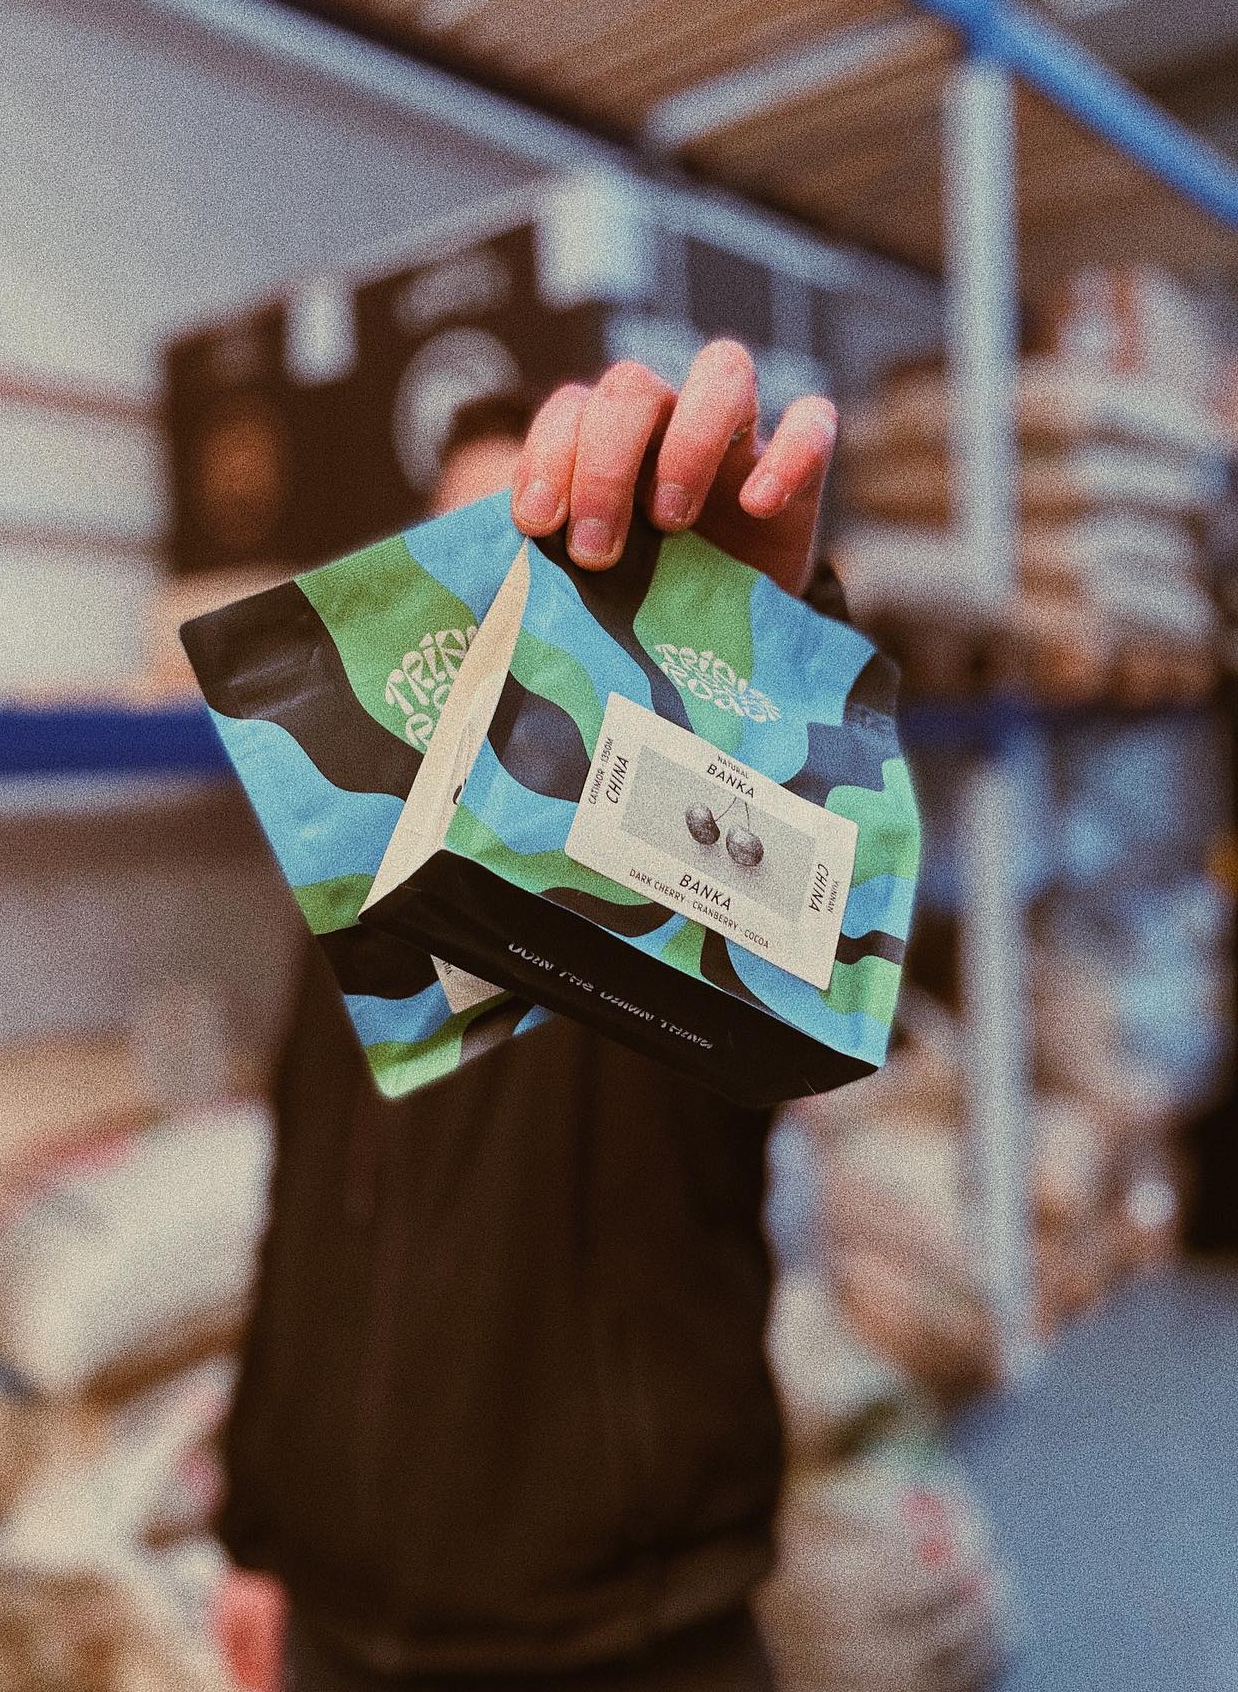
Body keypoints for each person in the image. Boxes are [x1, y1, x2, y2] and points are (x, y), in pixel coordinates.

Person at [215, 342, 842, 1692]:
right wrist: (259, 1537)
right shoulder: (356, 870)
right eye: (460, 566)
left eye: (546, 569)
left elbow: (787, 932)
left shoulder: (647, 879)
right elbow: (301, 1213)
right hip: (339, 1626)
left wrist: (759, 650)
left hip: (620, 1644)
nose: (499, 616)